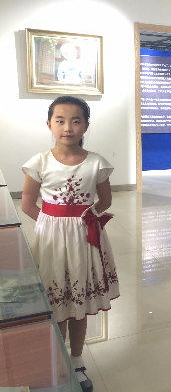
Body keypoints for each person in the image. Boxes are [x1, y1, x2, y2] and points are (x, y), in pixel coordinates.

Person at [21, 96, 119, 392]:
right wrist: (50, 224)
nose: (68, 127)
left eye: (76, 121)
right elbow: (27, 204)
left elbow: (105, 200)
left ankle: (76, 360)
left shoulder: (97, 163)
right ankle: (56, 360)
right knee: (56, 301)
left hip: (84, 238)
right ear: (49, 124)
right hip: (51, 241)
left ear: (86, 126)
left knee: (79, 301)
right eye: (60, 121)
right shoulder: (38, 162)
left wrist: (87, 218)